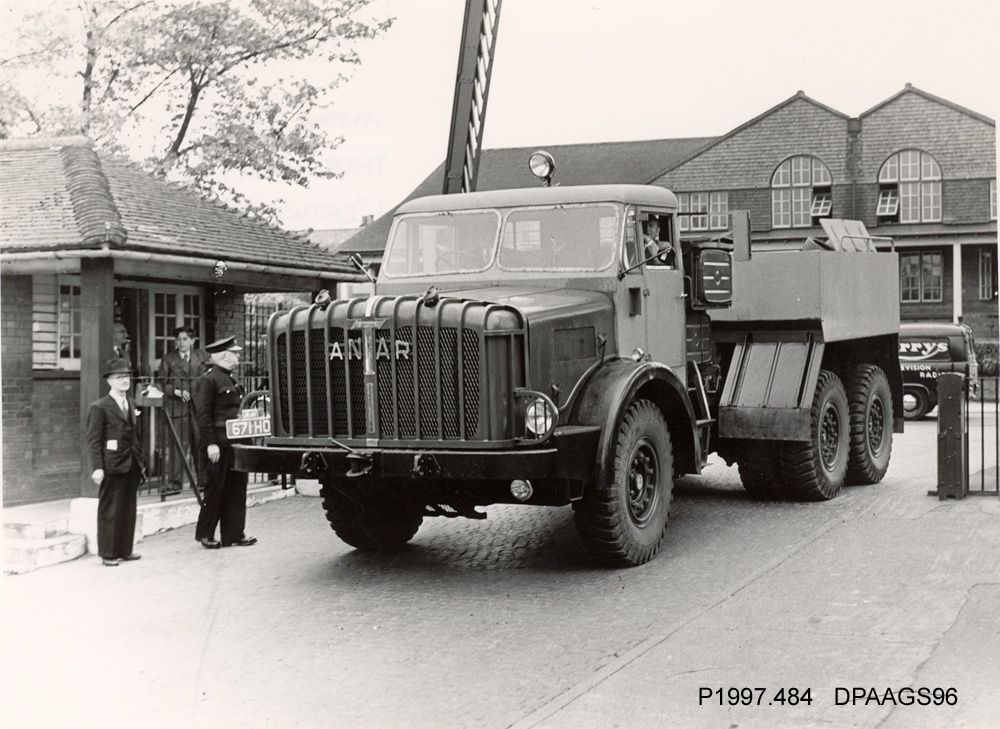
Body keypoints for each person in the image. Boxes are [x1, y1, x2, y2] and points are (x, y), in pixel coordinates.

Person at [193, 336, 257, 549]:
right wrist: (210, 443)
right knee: (215, 490)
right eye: (235, 353)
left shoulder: (230, 379)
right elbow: (203, 415)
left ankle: (234, 534)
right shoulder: (209, 380)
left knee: (237, 488)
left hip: (235, 443)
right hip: (219, 445)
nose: (238, 357)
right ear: (223, 356)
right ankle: (205, 534)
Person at [86, 358, 145, 566]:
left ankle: (125, 549)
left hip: (131, 463)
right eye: (119, 377)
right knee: (110, 510)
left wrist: (140, 461)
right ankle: (108, 553)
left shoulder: (130, 402)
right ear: (110, 381)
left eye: (127, 377)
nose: (125, 381)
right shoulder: (99, 407)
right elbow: (94, 440)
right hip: (112, 464)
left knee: (128, 508)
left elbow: (134, 435)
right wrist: (98, 467)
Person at [157, 327, 210, 490]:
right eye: (178, 339)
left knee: (199, 442)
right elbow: (161, 383)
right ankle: (175, 483)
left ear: (192, 341)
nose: (181, 342)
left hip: (198, 407)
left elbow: (208, 377)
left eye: (185, 339)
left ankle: (203, 481)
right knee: (178, 446)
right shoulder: (168, 359)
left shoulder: (201, 356)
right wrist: (176, 391)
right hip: (177, 408)